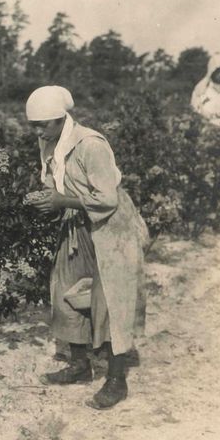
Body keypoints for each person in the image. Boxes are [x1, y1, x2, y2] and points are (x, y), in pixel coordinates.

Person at [24, 86, 148, 410]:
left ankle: (117, 379)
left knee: (109, 298)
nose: (38, 131)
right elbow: (54, 179)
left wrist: (61, 201)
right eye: (34, 125)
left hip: (111, 224)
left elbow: (107, 199)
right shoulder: (48, 142)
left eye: (44, 125)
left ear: (60, 119)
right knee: (63, 285)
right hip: (78, 219)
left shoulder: (91, 145)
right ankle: (80, 364)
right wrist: (46, 198)